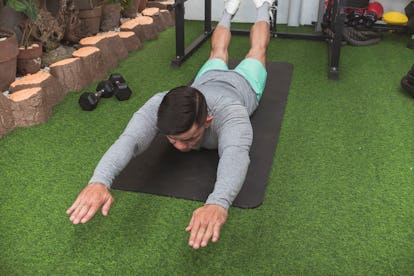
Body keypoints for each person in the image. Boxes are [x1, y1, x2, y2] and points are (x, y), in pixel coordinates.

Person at [67, 0, 273, 250]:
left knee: (257, 50)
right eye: (172, 139)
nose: (179, 146)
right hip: (207, 79)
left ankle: (262, 5)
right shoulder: (158, 103)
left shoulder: (233, 116)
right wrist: (99, 180)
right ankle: (228, 13)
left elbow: (235, 156)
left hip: (244, 84)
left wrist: (218, 203)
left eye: (188, 138)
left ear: (208, 120)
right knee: (217, 52)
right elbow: (129, 140)